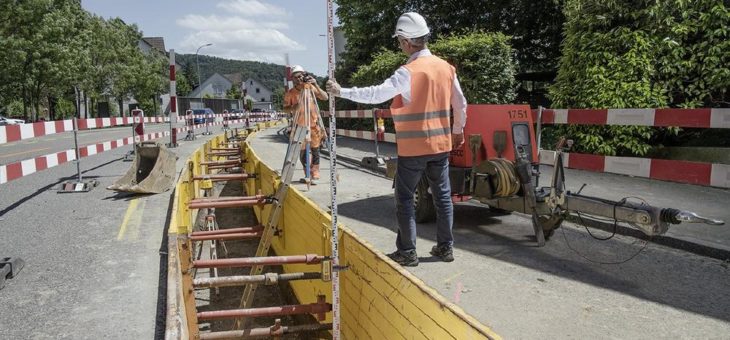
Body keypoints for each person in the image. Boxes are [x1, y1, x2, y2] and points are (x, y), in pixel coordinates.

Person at [326, 12, 467, 267]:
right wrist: (458, 130)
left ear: (405, 41)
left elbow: (376, 94)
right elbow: (460, 103)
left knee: (404, 198)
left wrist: (341, 91)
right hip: (441, 146)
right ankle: (446, 248)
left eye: (399, 41)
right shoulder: (446, 68)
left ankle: (407, 252)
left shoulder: (408, 72)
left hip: (414, 149)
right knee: (443, 197)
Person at [284, 65, 329, 184]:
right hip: (299, 127)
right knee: (303, 152)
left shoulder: (310, 88)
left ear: (304, 75)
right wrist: (294, 107)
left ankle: (315, 173)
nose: (298, 79)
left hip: (314, 125)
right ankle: (307, 173)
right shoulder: (290, 93)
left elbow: (325, 97)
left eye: (300, 76)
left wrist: (316, 85)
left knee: (315, 150)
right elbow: (285, 109)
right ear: (292, 79)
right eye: (295, 77)